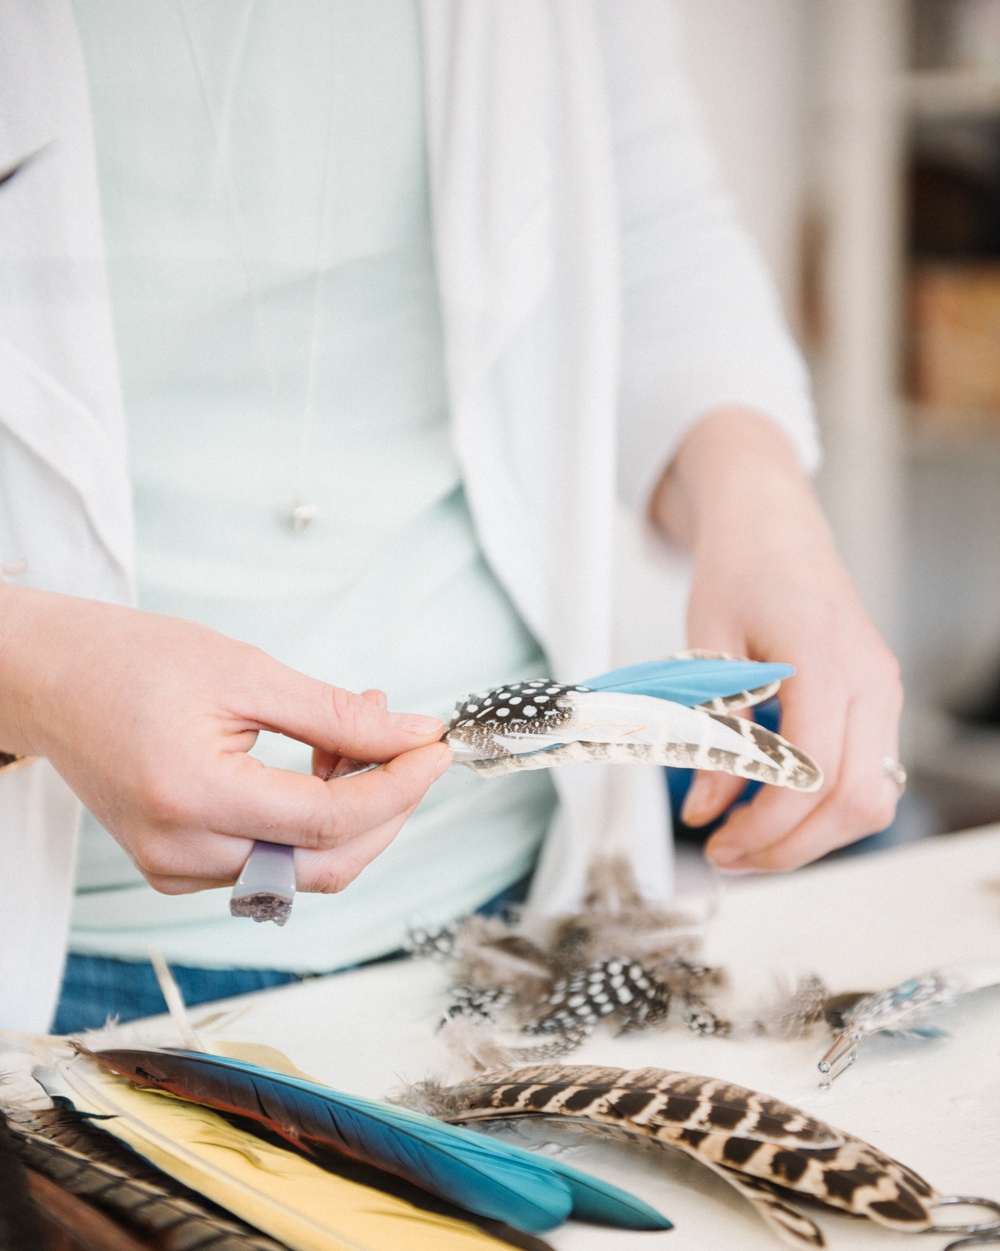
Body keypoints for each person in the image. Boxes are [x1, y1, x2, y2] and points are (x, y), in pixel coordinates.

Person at [0, 0, 903, 1037]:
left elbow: (640, 203)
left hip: (517, 910)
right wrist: (32, 673)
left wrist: (762, 508)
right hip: (64, 955)